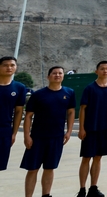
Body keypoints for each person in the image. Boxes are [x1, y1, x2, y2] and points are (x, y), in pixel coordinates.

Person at [20, 66, 75, 197]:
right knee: (33, 169)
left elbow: (71, 112)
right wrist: (27, 136)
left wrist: (68, 132)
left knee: (50, 168)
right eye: (54, 73)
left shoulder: (69, 93)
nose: (57, 75)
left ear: (63, 76)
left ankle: (46, 194)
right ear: (48, 76)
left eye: (60, 73)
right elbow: (28, 116)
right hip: (37, 138)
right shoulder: (38, 94)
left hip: (56, 137)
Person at [77, 60, 107, 197]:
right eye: (102, 68)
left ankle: (93, 188)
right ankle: (82, 189)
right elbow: (82, 109)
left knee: (98, 158)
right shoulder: (90, 88)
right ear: (96, 71)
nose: (105, 71)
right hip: (91, 129)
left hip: (106, 128)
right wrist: (81, 128)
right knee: (86, 158)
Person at [0, 56, 26, 173]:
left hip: (4, 130)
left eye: (12, 65)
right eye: (5, 65)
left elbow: (19, 111)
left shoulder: (19, 88)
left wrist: (14, 133)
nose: (9, 68)